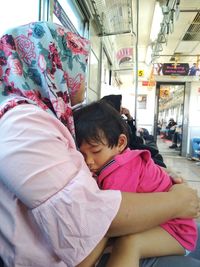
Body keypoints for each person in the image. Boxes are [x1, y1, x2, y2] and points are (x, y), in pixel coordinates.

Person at [0, 21, 200, 267]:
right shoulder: (24, 126)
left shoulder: (44, 117)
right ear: (54, 65)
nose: (82, 80)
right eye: (78, 65)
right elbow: (88, 225)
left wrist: (156, 177)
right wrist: (177, 201)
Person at [74, 101, 198, 267]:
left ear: (121, 143)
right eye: (82, 154)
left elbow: (110, 222)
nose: (88, 161)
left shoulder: (119, 171)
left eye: (96, 151)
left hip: (177, 231)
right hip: (166, 222)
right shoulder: (119, 160)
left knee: (129, 243)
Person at [101, 94, 166, 167]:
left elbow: (132, 135)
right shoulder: (113, 125)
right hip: (130, 150)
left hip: (132, 147)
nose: (122, 108)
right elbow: (132, 138)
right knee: (160, 163)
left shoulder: (117, 121)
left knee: (157, 155)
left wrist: (129, 117)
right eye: (120, 105)